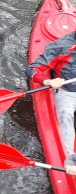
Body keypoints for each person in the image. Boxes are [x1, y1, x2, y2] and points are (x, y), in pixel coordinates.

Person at [27, 31, 76, 176]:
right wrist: (49, 81)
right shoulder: (61, 47)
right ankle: (70, 160)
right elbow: (33, 69)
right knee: (65, 113)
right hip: (67, 91)